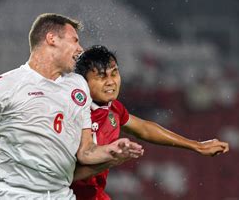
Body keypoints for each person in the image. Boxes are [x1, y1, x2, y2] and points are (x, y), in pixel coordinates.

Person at [0, 13, 143, 199]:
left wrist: (111, 151)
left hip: (61, 195)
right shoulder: (3, 86)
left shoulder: (78, 86)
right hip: (14, 194)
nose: (81, 49)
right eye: (74, 40)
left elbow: (86, 151)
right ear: (52, 39)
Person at [71, 45, 230, 200]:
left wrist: (196, 145)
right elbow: (63, 176)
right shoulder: (71, 114)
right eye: (101, 76)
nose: (111, 82)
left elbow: (144, 128)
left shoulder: (114, 109)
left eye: (114, 73)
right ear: (82, 82)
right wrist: (112, 158)